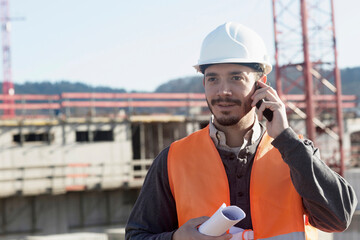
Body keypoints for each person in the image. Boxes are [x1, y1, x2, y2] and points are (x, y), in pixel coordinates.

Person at [125, 22, 358, 240]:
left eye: (236, 77)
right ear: (204, 84)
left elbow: (339, 219)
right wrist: (176, 238)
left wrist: (286, 139)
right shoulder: (172, 160)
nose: (223, 90)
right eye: (213, 79)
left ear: (261, 84)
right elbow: (137, 235)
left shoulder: (295, 152)